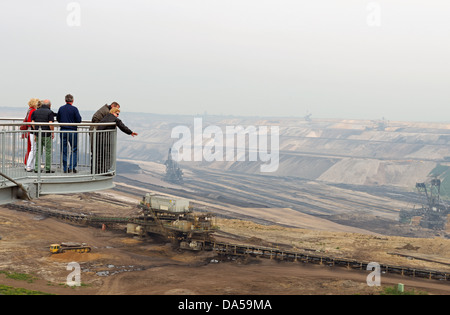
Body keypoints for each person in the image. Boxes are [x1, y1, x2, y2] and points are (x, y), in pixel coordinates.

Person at [95, 107, 137, 173]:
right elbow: (122, 127)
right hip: (107, 140)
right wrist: (130, 132)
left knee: (100, 155)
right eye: (117, 114)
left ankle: (96, 171)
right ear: (113, 112)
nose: (117, 116)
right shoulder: (115, 120)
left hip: (98, 139)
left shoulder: (105, 118)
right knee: (109, 156)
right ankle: (104, 171)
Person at [57, 94, 82, 173]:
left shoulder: (61, 108)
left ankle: (65, 168)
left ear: (65, 100)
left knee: (64, 150)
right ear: (72, 100)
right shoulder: (74, 109)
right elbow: (78, 120)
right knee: (74, 149)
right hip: (72, 131)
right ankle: (71, 167)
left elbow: (58, 119)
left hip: (63, 130)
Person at [31, 99, 55, 173]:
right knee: (48, 151)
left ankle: (37, 168)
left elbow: (33, 123)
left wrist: (36, 132)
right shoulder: (50, 112)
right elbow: (50, 123)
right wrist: (52, 132)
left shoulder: (35, 112)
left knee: (38, 151)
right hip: (47, 134)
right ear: (49, 105)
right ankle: (47, 168)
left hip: (38, 133)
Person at [23, 98, 39, 172]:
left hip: (29, 131)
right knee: (32, 149)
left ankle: (29, 164)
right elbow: (30, 121)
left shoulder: (29, 110)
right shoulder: (33, 111)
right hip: (31, 131)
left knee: (30, 148)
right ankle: (28, 165)